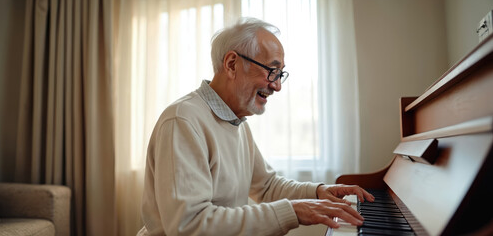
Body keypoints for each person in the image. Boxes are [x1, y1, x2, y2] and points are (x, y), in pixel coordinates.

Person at [137, 17, 375, 236]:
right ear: (232, 64)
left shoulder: (236, 122)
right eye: (272, 71)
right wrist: (294, 210)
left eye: (281, 74)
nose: (277, 86)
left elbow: (267, 186)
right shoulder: (183, 120)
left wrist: (318, 192)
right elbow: (190, 225)